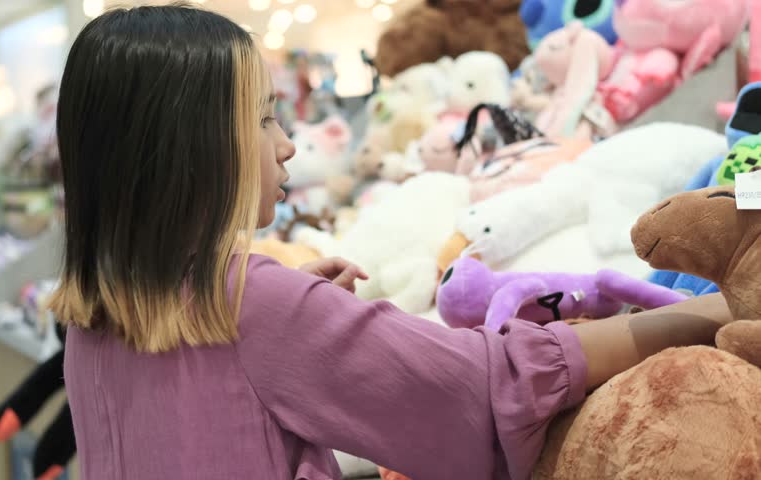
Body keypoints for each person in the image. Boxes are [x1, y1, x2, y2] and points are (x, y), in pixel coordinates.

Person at [52, 6, 734, 480]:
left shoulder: (93, 314)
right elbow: (485, 383)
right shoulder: (250, 303)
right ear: (190, 150)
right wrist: (697, 316)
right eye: (263, 119)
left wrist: (300, 314)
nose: (287, 145)